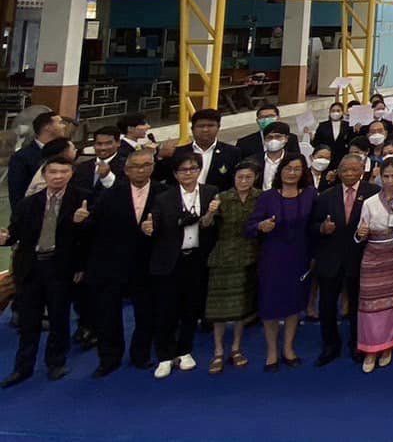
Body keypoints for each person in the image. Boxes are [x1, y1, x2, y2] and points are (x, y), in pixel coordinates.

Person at [1, 157, 86, 387]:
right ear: (45, 174)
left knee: (59, 318)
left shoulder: (82, 200)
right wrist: (5, 238)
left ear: (71, 174)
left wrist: (81, 224)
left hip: (61, 268)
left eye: (63, 172)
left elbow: (88, 238)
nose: (58, 176)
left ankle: (56, 362)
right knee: (28, 322)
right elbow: (15, 234)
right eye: (53, 172)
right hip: (31, 268)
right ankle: (22, 367)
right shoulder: (29, 203)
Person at [81, 149, 157, 376]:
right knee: (107, 315)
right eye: (136, 166)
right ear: (126, 170)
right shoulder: (110, 194)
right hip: (112, 264)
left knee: (146, 314)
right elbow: (93, 226)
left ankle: (141, 354)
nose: (141, 170)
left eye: (146, 165)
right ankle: (109, 358)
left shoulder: (164, 193)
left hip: (147, 265)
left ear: (153, 167)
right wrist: (81, 221)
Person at [147, 152, 220, 378]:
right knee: (166, 309)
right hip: (171, 259)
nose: (188, 173)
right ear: (175, 174)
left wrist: (210, 214)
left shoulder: (210, 192)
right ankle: (165, 355)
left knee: (191, 306)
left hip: (197, 258)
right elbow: (155, 223)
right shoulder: (163, 197)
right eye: (183, 170)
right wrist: (148, 228)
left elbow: (211, 226)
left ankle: (185, 350)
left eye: (193, 169)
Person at [309, 152, 376, 365]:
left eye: (354, 169)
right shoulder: (326, 196)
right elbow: (312, 225)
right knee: (327, 305)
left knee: (357, 305)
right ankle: (330, 345)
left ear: (362, 170)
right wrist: (322, 228)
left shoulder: (374, 193)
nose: (349, 174)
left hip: (360, 258)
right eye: (345, 170)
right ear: (338, 172)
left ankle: (358, 343)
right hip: (331, 259)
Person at [248, 151, 314, 369]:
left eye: (297, 169)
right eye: (288, 168)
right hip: (272, 258)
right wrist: (261, 226)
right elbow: (249, 227)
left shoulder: (310, 195)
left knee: (294, 304)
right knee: (270, 305)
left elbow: (316, 225)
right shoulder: (267, 197)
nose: (292, 173)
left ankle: (288, 348)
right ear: (280, 170)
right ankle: (272, 352)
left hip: (299, 257)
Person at [204, 160, 260, 374]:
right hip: (223, 257)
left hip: (249, 256)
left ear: (255, 178)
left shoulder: (261, 197)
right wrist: (210, 212)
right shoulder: (222, 197)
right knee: (218, 308)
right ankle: (218, 350)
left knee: (240, 308)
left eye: (248, 177)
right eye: (240, 177)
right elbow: (205, 224)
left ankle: (236, 348)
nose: (243, 181)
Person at [355, 156, 393, 372]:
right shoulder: (369, 202)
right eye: (386, 176)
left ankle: (387, 346)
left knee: (391, 304)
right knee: (369, 305)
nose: (390, 180)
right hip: (372, 257)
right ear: (380, 177)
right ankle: (370, 349)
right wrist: (361, 233)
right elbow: (359, 234)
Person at [8, 111, 68, 212]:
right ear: (47, 127)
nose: (64, 126)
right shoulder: (22, 157)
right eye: (60, 123)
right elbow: (16, 193)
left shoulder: (63, 153)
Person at [235, 105, 301, 161]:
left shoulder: (291, 139)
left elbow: (297, 160)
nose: (266, 119)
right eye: (262, 117)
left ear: (278, 118)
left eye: (271, 116)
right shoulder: (244, 143)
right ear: (257, 121)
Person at [313, 102, 356, 166]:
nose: (335, 113)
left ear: (342, 112)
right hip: (326, 158)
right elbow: (316, 142)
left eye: (338, 110)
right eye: (333, 111)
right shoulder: (322, 125)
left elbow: (351, 142)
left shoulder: (348, 126)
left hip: (342, 157)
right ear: (329, 112)